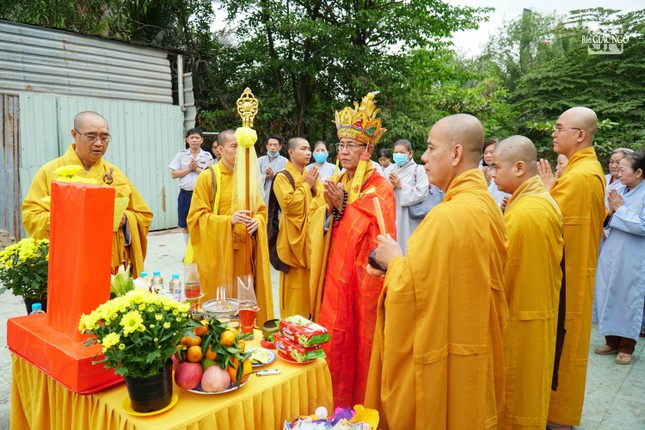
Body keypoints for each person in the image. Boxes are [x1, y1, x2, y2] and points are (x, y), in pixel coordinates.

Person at [366, 114, 508, 429]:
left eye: (431, 148)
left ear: (456, 154)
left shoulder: (445, 217)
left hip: (445, 354)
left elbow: (409, 292)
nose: (424, 158)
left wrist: (393, 261)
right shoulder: (487, 206)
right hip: (474, 344)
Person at [308, 93, 396, 408]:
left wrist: (344, 207)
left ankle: (359, 405)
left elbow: (379, 237)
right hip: (334, 276)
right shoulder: (336, 180)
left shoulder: (380, 187)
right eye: (341, 145)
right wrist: (330, 210)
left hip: (360, 282)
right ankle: (329, 402)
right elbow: (317, 222)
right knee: (332, 337)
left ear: (367, 150)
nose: (343, 152)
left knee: (358, 343)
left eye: (351, 146)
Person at [22, 111, 153, 277]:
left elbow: (143, 214)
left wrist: (125, 219)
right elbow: (31, 216)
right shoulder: (49, 172)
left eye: (104, 137)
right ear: (74, 135)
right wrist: (69, 218)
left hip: (111, 264)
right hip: (71, 262)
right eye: (91, 136)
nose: (99, 143)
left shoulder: (114, 173)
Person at [491, 136, 564, 430]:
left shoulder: (528, 213)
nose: (491, 174)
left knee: (516, 399)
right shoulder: (532, 202)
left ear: (519, 167)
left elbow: (502, 275)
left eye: (497, 167)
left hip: (522, 321)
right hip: (534, 314)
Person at [542, 107, 606, 430]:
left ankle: (558, 417)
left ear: (580, 135)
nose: (554, 133)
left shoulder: (581, 176)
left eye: (559, 128)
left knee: (563, 347)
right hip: (570, 271)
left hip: (569, 277)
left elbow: (550, 221)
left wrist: (543, 192)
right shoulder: (580, 170)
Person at [186, 129, 274, 324]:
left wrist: (257, 221)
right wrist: (228, 221)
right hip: (218, 254)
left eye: (242, 147)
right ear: (219, 150)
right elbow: (196, 218)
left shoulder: (246, 178)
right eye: (234, 146)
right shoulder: (208, 177)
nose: (240, 151)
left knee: (245, 305)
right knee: (219, 306)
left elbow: (261, 211)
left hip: (244, 253)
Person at [593, 152, 645, 366]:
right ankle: (611, 341)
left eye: (623, 170)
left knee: (627, 297)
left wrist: (620, 210)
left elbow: (642, 226)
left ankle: (626, 347)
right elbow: (607, 217)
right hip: (612, 249)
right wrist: (610, 213)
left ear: (639, 172)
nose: (618, 173)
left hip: (633, 256)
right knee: (607, 292)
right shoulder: (619, 190)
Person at [271, 137, 323, 318]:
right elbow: (289, 206)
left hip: (310, 239)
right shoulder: (282, 177)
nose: (308, 152)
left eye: (309, 149)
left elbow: (321, 202)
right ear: (291, 152)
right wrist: (307, 185)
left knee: (310, 290)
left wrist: (314, 188)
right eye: (303, 149)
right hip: (292, 241)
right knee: (294, 292)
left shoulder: (309, 175)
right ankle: (291, 326)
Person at [169, 128, 213, 246]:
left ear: (201, 140)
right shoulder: (181, 155)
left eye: (197, 138)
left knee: (202, 222)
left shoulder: (207, 156)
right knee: (184, 224)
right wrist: (189, 168)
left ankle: (200, 250)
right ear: (187, 140)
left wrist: (196, 169)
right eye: (192, 138)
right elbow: (173, 174)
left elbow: (210, 176)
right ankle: (188, 250)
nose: (194, 140)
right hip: (185, 194)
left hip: (201, 195)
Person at [387, 139, 428, 255]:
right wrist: (390, 187)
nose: (398, 155)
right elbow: (381, 192)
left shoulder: (419, 170)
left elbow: (422, 192)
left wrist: (401, 185)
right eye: (396, 152)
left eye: (402, 152)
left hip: (409, 217)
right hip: (391, 213)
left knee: (408, 245)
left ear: (410, 154)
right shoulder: (389, 170)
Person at [258, 135, 288, 204]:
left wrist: (274, 176)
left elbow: (287, 180)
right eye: (270, 145)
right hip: (262, 195)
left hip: (278, 196)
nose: (272, 147)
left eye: (275, 145)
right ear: (266, 146)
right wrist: (265, 176)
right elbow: (253, 177)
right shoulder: (259, 161)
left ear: (280, 147)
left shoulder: (285, 162)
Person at [481, 138, 510, 208]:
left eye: (491, 152)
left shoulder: (506, 172)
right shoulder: (480, 170)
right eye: (485, 153)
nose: (488, 155)